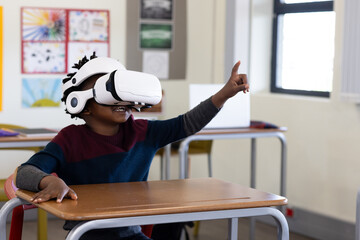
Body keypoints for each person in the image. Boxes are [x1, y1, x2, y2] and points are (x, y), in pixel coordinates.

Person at [14, 54, 249, 240]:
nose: (120, 99)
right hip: (87, 234)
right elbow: (25, 172)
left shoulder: (144, 133)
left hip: (131, 233)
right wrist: (50, 181)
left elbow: (187, 123)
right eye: (108, 91)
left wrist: (224, 94)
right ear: (83, 104)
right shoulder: (70, 139)